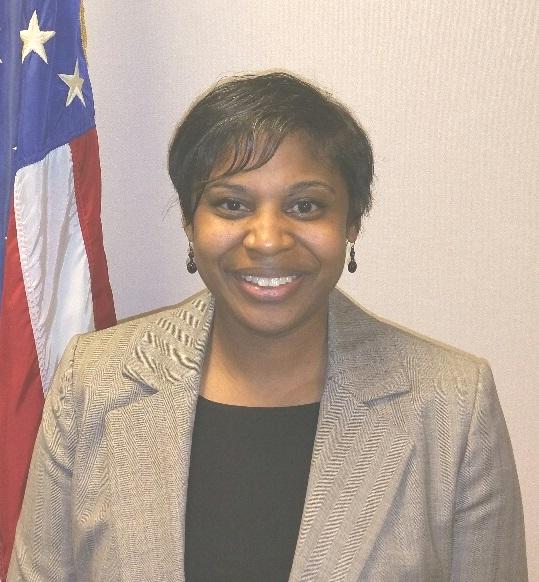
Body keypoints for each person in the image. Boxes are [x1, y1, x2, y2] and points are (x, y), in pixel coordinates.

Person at [8, 71, 527, 581]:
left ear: (351, 222)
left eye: (306, 206)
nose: (268, 239)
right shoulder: (93, 381)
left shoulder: (453, 405)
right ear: (190, 222)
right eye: (232, 204)